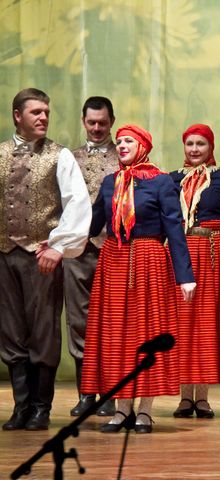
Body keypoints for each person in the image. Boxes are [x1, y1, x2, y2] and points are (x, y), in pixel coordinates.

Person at [80, 124, 196, 434]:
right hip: (115, 261)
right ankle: (122, 411)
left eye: (128, 141)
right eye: (119, 141)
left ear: (142, 145)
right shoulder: (110, 182)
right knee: (117, 336)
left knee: (146, 334)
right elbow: (92, 224)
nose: (121, 145)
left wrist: (185, 276)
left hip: (149, 260)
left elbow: (174, 229)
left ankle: (144, 411)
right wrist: (59, 241)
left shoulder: (161, 182)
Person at [0, 88, 91, 431]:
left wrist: (58, 246)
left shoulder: (59, 155)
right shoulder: (0, 154)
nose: (43, 117)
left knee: (43, 331)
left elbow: (78, 203)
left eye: (46, 112)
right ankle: (21, 406)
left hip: (41, 256)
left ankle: (41, 407)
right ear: (17, 115)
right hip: (4, 253)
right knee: (11, 331)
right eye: (36, 112)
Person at [170, 124, 220, 419]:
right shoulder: (173, 179)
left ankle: (201, 397)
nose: (194, 149)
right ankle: (183, 397)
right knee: (183, 323)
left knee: (205, 323)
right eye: (190, 144)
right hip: (181, 254)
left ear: (211, 147)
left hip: (215, 254)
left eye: (200, 144)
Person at [65, 96, 118, 418]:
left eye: (103, 122)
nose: (97, 128)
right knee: (78, 321)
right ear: (83, 121)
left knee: (111, 323)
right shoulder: (69, 158)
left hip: (113, 250)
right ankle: (86, 393)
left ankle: (110, 395)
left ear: (112, 122)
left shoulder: (125, 155)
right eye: (91, 122)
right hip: (76, 250)